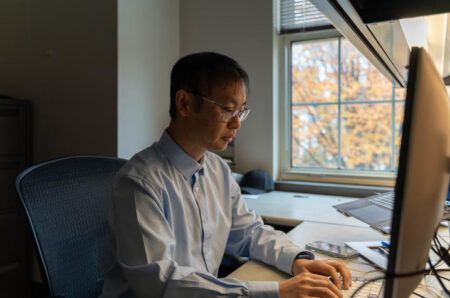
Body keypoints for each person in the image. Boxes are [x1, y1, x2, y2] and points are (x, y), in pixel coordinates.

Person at [100, 52, 352, 298]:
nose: (237, 123)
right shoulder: (140, 182)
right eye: (228, 109)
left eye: (241, 111)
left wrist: (297, 259)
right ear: (184, 103)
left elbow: (249, 233)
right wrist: (277, 293)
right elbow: (160, 283)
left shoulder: (217, 170)